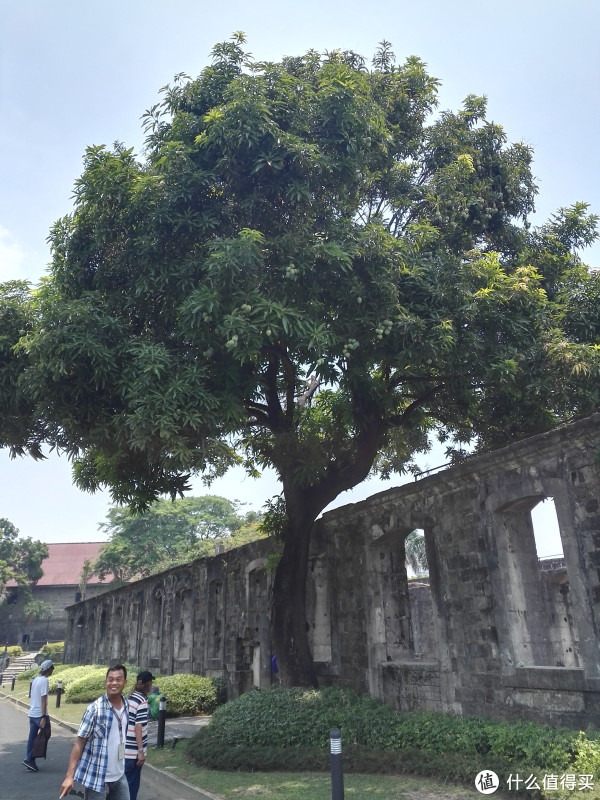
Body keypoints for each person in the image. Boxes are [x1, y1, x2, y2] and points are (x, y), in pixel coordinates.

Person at [59, 664, 130, 800]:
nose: (114, 683)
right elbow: (79, 743)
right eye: (110, 679)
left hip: (120, 776)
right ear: (105, 682)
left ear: (125, 683)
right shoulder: (94, 709)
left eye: (118, 679)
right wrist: (69, 776)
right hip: (98, 779)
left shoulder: (126, 705)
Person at [124, 670, 154, 800]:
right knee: (131, 788)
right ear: (149, 684)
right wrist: (141, 751)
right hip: (134, 754)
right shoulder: (142, 701)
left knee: (122, 788)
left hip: (124, 751)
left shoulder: (130, 698)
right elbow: (138, 727)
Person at [23, 658, 54, 771]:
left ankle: (29, 759)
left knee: (32, 737)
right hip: (39, 714)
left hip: (32, 713)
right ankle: (31, 758)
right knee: (45, 734)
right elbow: (43, 699)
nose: (52, 671)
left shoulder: (36, 679)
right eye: (52, 668)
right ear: (48, 669)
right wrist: (43, 716)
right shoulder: (44, 681)